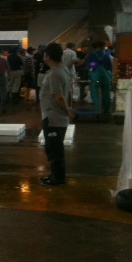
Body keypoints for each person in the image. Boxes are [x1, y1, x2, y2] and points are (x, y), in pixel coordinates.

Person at [39, 43, 76, 186]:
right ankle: (54, 175)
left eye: (45, 54)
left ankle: (58, 178)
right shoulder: (62, 69)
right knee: (53, 147)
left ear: (48, 56)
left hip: (54, 117)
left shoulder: (55, 73)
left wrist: (67, 111)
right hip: (53, 115)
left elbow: (59, 97)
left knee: (55, 149)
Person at [86, 40, 113, 115]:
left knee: (95, 92)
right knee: (106, 92)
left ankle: (98, 109)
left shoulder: (91, 55)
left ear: (95, 47)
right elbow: (109, 67)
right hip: (105, 77)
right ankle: (106, 109)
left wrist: (96, 65)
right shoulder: (106, 56)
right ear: (102, 47)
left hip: (95, 76)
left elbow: (89, 65)